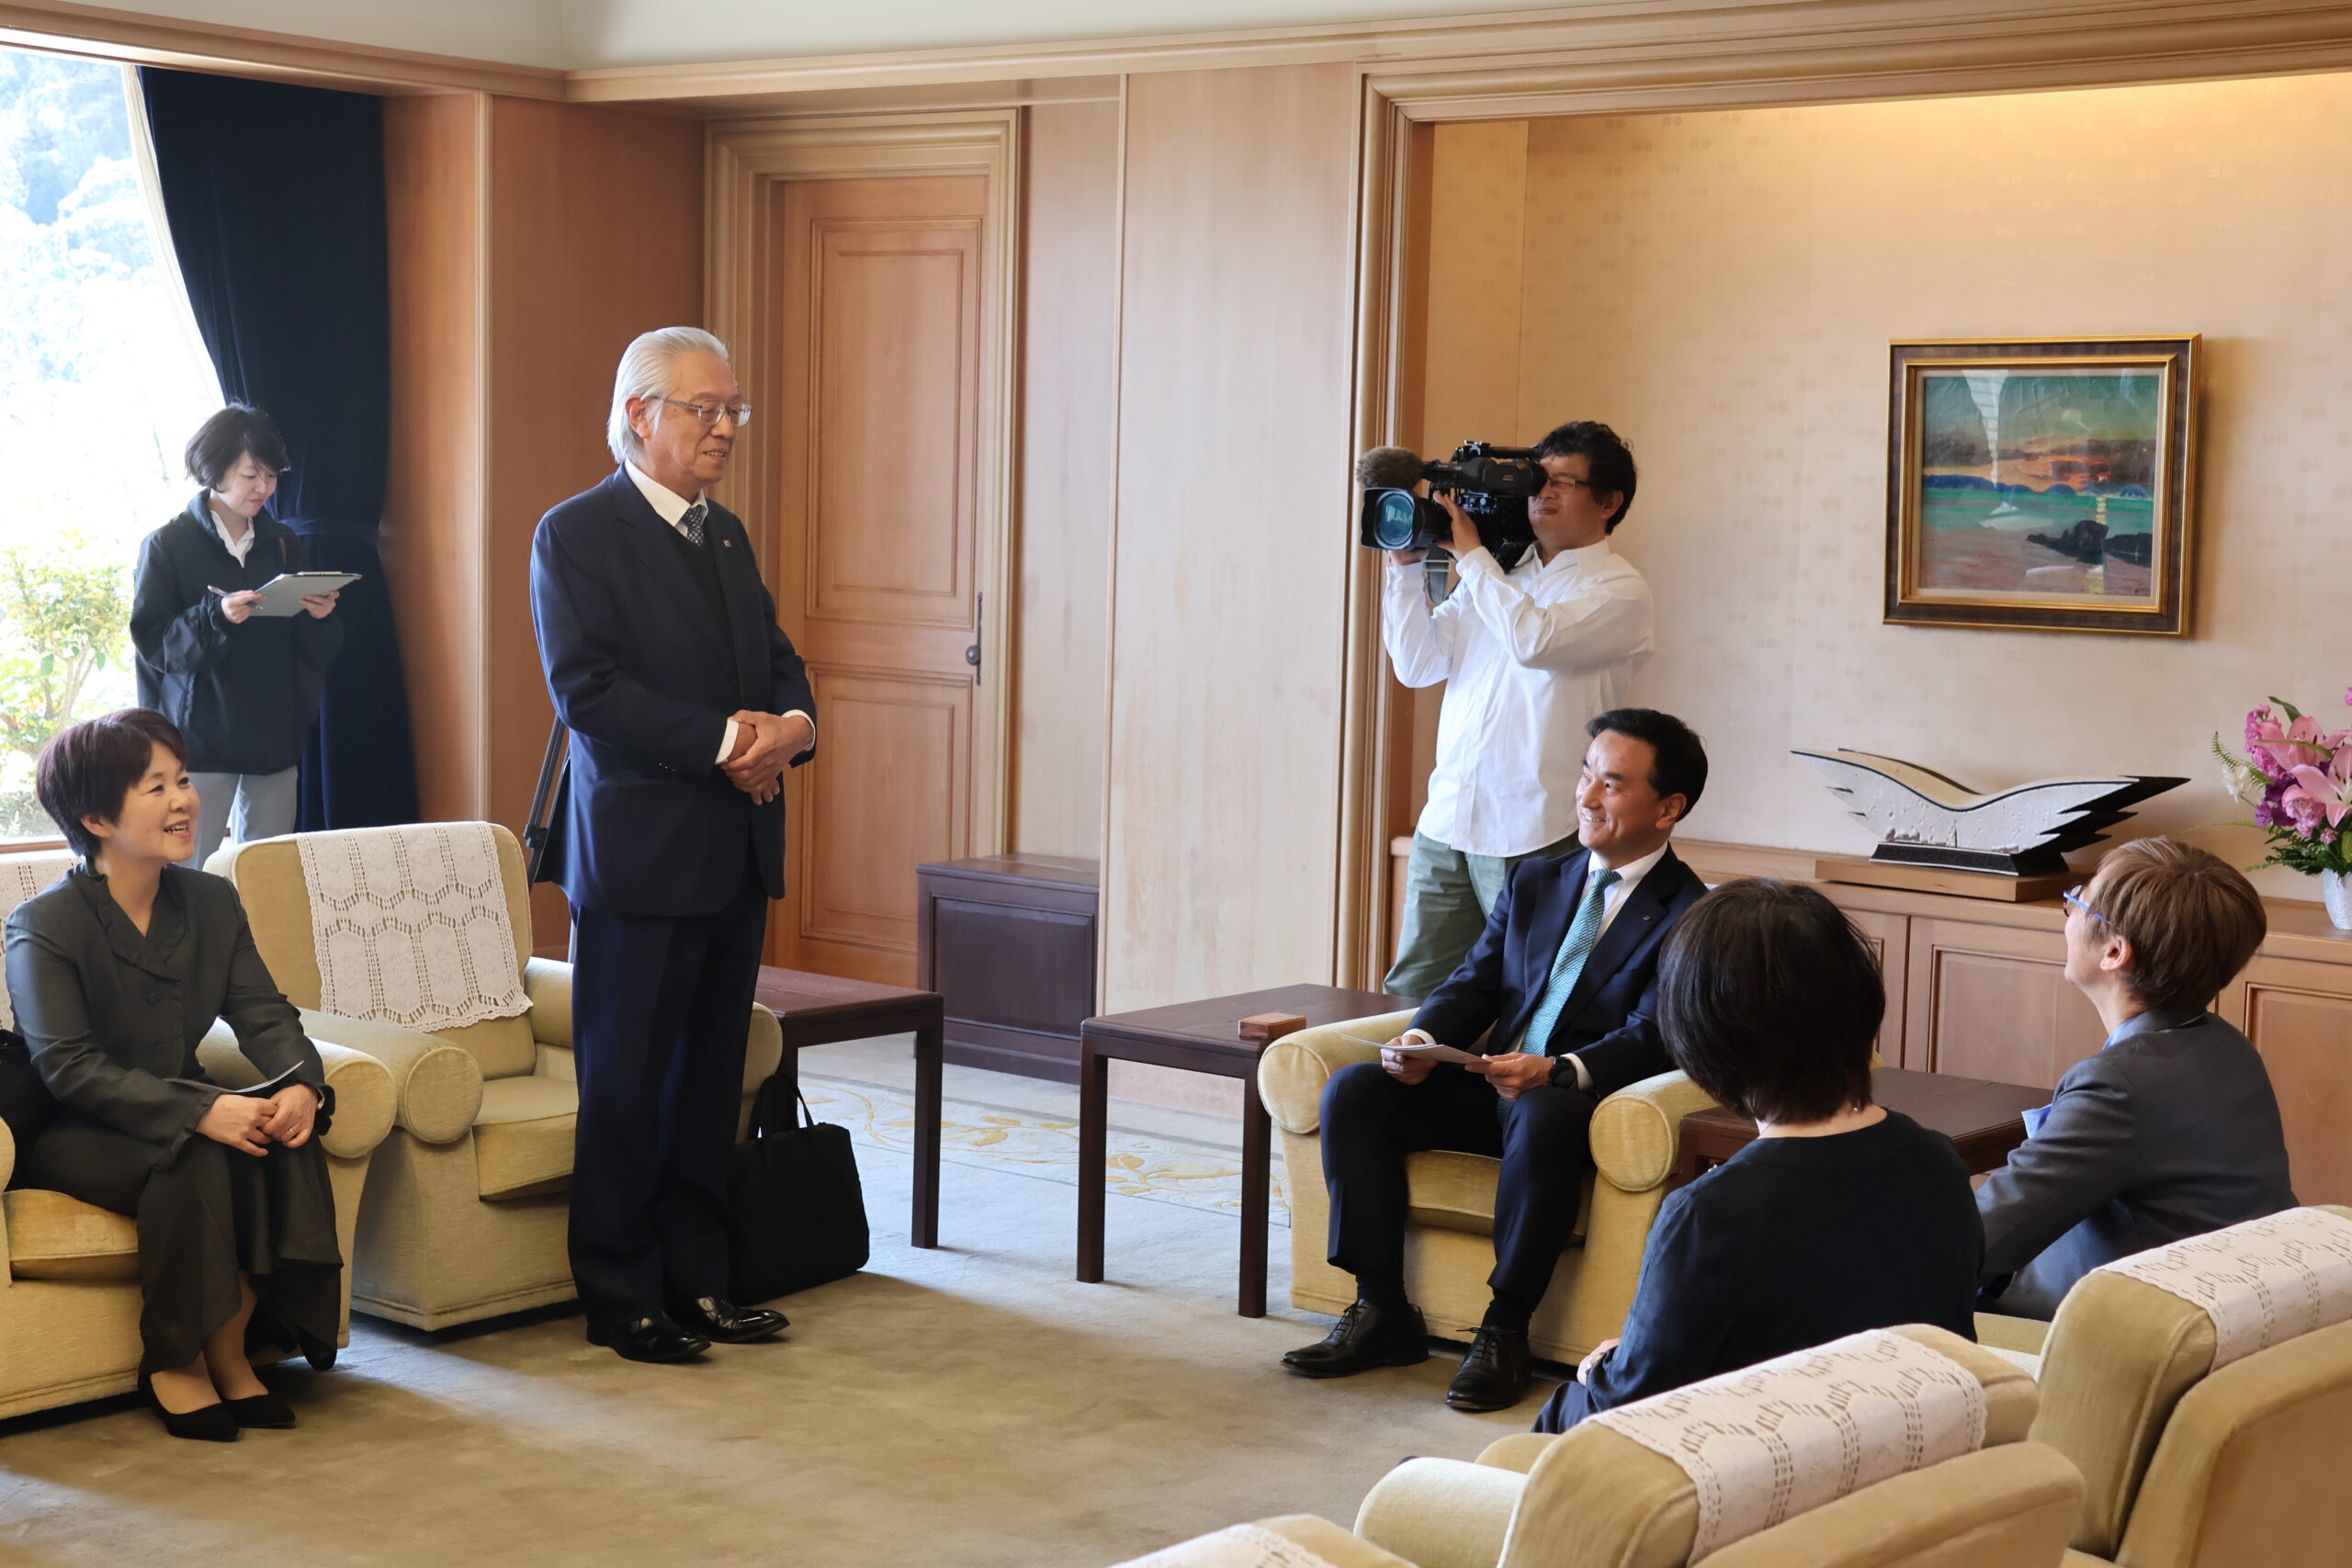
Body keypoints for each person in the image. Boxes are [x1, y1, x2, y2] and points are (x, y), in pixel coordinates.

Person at [1285, 708, 1709, 1413]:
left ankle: (1504, 1329)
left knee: (1543, 1111)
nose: (1586, 795)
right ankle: (1381, 1307)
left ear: (1668, 808)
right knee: (1356, 1091)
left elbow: (1654, 1034)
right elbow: (1474, 982)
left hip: (1572, 1104)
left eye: (1611, 783)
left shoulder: (1689, 911)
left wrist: (1559, 1068)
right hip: (1492, 1082)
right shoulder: (1536, 879)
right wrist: (1421, 1039)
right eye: (1586, 773)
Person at [529, 326, 816, 1365]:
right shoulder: (575, 533)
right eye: (706, 408)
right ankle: (620, 1294)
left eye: (734, 409)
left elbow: (780, 662)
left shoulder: (723, 534)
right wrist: (729, 744)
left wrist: (791, 730)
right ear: (638, 415)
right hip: (640, 859)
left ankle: (701, 1280)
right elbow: (589, 691)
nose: (726, 427)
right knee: (627, 1082)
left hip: (734, 847)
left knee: (709, 1080)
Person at [1533, 878, 1982, 1433]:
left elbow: (1631, 1412)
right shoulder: (1939, 1163)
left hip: (1765, 1467)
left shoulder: (1708, 1216)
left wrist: (1604, 1372)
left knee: (1560, 1416)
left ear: (1703, 1039)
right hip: (1914, 1457)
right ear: (1862, 1004)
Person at [6, 709, 341, 1441]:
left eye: (182, 780)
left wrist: (300, 1084)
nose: (183, 800)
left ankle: (234, 1350)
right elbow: (68, 1066)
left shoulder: (213, 901)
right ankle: (176, 1359)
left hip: (180, 1097)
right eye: (155, 787)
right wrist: (200, 1112)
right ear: (97, 818)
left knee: (275, 1131)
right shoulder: (43, 925)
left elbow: (264, 1014)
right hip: (79, 1128)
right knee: (197, 1148)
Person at [1381, 421, 1653, 999]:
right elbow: (1416, 666)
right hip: (1447, 821)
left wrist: (1474, 559)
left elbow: (1535, 642)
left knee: (1523, 997)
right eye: (1537, 479)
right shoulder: (1497, 574)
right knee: (1414, 996)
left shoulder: (1620, 590)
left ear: (1609, 502)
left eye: (1563, 482)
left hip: (1535, 830)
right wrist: (1404, 569)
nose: (1542, 493)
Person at [1975, 837, 2294, 1320]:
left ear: (2114, 952)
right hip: (2230, 1322)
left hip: (2114, 1334)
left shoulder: (2118, 1086)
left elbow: (1974, 1242)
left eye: (2079, 899)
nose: (2068, 909)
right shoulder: (2230, 1047)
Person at [130, 404, 344, 863]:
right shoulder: (167, 545)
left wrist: (320, 616)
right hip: (200, 741)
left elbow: (313, 652)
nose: (263, 487)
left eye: (272, 476)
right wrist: (216, 616)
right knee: (188, 873)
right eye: (251, 475)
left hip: (275, 736)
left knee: (266, 874)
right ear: (214, 469)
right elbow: (155, 643)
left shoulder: (283, 542)